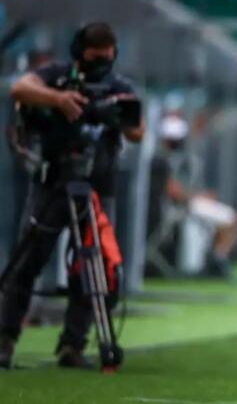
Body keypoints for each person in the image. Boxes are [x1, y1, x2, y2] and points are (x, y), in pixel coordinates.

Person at [0, 22, 144, 369]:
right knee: (27, 263)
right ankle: (4, 340)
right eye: (95, 57)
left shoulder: (119, 87)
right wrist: (59, 99)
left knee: (92, 268)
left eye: (107, 57)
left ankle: (73, 345)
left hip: (97, 188)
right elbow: (19, 88)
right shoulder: (57, 77)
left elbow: (137, 131)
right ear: (80, 52)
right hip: (51, 183)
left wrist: (111, 114)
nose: (101, 64)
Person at [147, 114, 237, 279]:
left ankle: (216, 258)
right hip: (177, 208)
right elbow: (173, 192)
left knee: (225, 219)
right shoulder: (160, 160)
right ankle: (217, 260)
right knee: (229, 218)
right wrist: (198, 196)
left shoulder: (172, 158)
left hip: (181, 205)